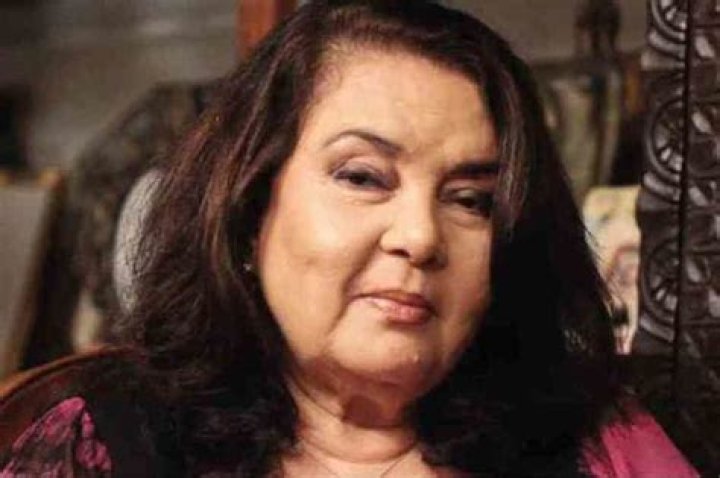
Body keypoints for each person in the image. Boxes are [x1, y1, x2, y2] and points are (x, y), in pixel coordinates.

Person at [0, 1, 698, 476]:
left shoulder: (597, 445)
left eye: (471, 200)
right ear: (249, 212)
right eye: (363, 177)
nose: (420, 237)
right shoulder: (112, 445)